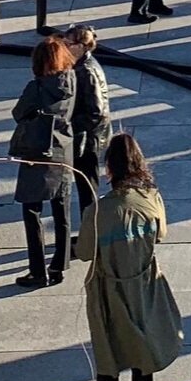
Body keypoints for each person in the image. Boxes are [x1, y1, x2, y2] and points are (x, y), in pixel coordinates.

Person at [79, 132, 185, 381]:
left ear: (109, 168)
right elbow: (161, 234)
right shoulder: (152, 198)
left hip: (108, 291)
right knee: (144, 344)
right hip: (145, 284)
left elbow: (85, 252)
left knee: (107, 351)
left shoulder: (99, 210)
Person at [11, 35, 76, 288]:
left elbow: (18, 113)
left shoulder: (36, 87)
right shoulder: (70, 80)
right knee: (62, 210)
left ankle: (38, 270)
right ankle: (59, 265)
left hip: (38, 153)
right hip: (64, 149)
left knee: (32, 211)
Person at [66, 24, 113, 255]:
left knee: (88, 190)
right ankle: (89, 232)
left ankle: (92, 238)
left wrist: (68, 126)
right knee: (87, 189)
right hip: (87, 137)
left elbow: (96, 111)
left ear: (82, 46)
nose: (65, 47)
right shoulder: (81, 65)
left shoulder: (86, 71)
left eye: (70, 44)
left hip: (88, 140)